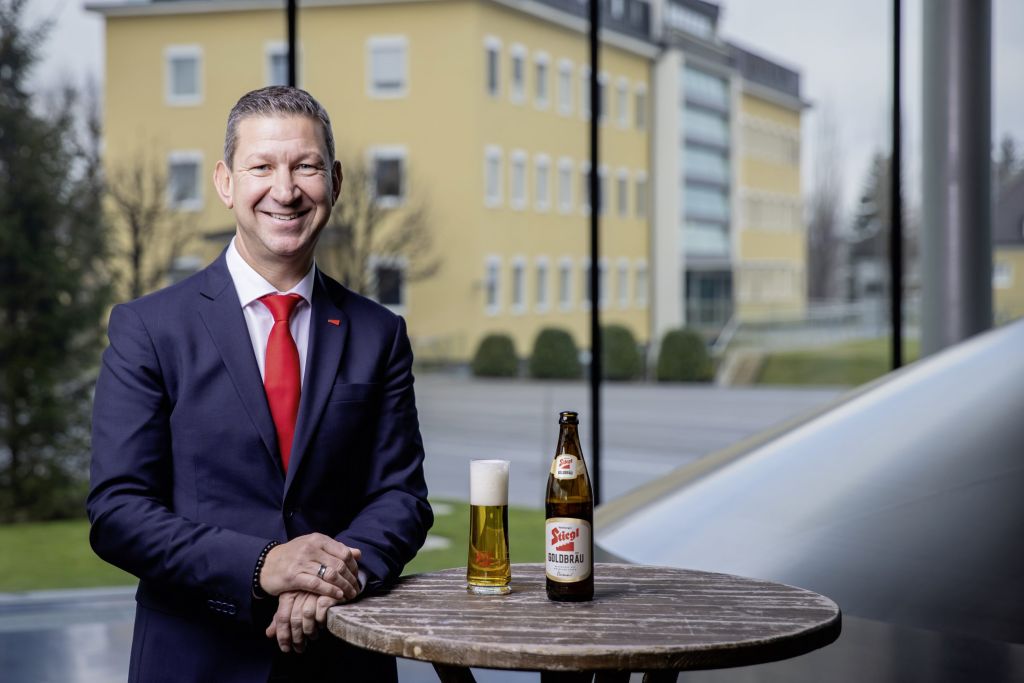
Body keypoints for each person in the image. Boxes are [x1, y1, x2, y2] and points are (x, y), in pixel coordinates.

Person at [87, 86, 433, 682]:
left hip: (341, 657)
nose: (286, 189)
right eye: (262, 167)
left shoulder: (379, 333)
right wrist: (264, 564)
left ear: (336, 182)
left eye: (306, 167)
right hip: (196, 659)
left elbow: (400, 498)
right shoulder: (149, 328)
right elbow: (118, 511)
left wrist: (331, 577)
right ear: (225, 182)